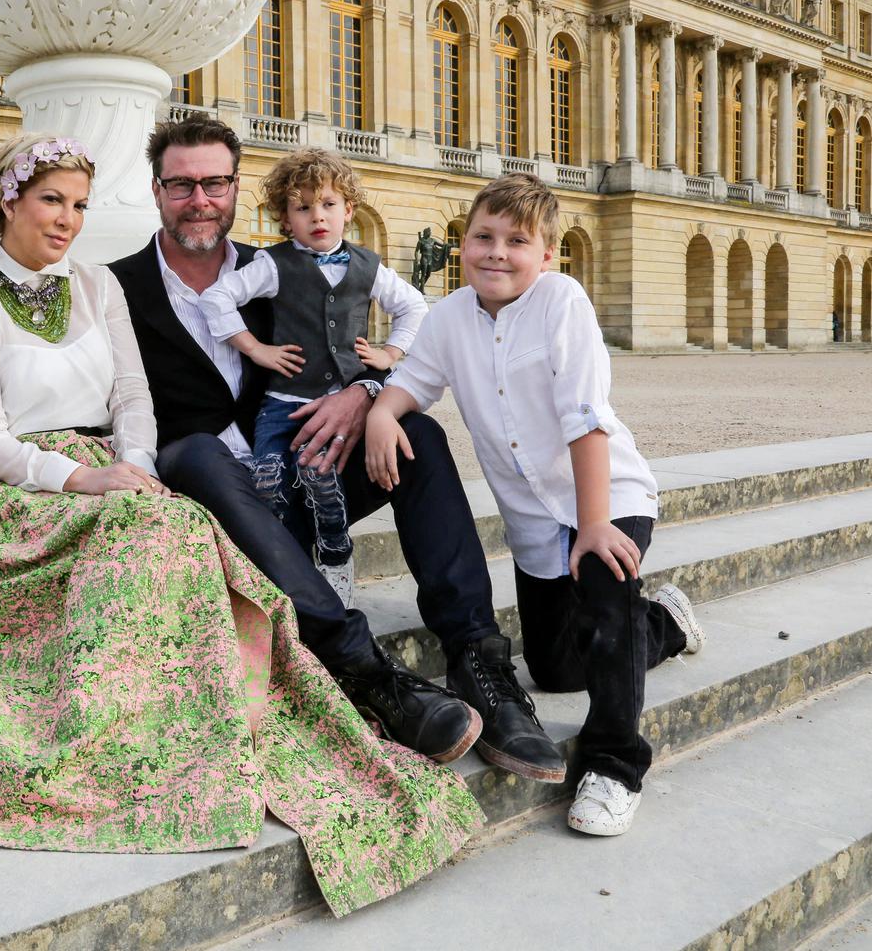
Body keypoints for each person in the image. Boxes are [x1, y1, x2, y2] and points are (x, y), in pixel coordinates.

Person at [0, 134, 482, 918]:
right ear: (8, 200)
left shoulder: (106, 283)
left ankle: (424, 666)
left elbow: (133, 399)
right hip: (17, 486)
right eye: (51, 200)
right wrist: (83, 479)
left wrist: (132, 469)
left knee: (175, 527)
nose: (68, 219)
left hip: (127, 465)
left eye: (79, 204)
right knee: (150, 540)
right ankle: (127, 744)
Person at [109, 114, 563, 783]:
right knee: (198, 452)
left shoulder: (275, 266)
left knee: (415, 433)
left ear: (235, 188)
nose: (199, 199)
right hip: (207, 501)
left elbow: (364, 346)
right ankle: (365, 668)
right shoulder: (114, 285)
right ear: (156, 190)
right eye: (181, 185)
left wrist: (367, 391)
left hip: (301, 477)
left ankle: (477, 658)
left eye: (215, 183)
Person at [365, 174, 706, 836]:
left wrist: (595, 524)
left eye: (517, 241)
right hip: (533, 524)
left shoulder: (562, 301)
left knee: (606, 601)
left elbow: (585, 416)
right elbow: (412, 383)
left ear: (547, 255)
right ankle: (663, 622)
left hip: (606, 495)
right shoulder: (448, 318)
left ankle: (615, 765)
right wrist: (382, 412)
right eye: (483, 237)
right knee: (554, 668)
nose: (496, 251)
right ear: (463, 243)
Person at [198, 146, 426, 603]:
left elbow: (415, 306)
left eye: (328, 204)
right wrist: (255, 348)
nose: (317, 216)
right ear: (285, 219)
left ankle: (336, 554)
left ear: (349, 210)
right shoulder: (272, 264)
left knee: (323, 477)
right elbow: (215, 298)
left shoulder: (369, 266)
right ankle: (283, 571)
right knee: (268, 480)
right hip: (283, 405)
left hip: (343, 401)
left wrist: (390, 352)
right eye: (302, 208)